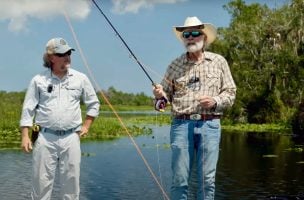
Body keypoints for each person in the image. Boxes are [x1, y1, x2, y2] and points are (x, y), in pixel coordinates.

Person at [153, 16, 236, 200]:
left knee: (207, 180)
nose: (190, 37)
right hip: (181, 126)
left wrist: (215, 101)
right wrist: (159, 97)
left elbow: (231, 93)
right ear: (183, 39)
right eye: (186, 34)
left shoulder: (219, 62)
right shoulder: (174, 65)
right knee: (180, 179)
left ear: (204, 37)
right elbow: (161, 105)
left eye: (195, 34)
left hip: (210, 125)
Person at [20, 37, 100, 200]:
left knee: (71, 186)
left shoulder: (81, 78)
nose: (67, 56)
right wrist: (25, 136)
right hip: (45, 137)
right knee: (41, 186)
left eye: (69, 53)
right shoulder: (38, 80)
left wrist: (86, 126)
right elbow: (28, 109)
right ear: (51, 57)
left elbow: (94, 104)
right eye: (62, 53)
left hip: (71, 137)